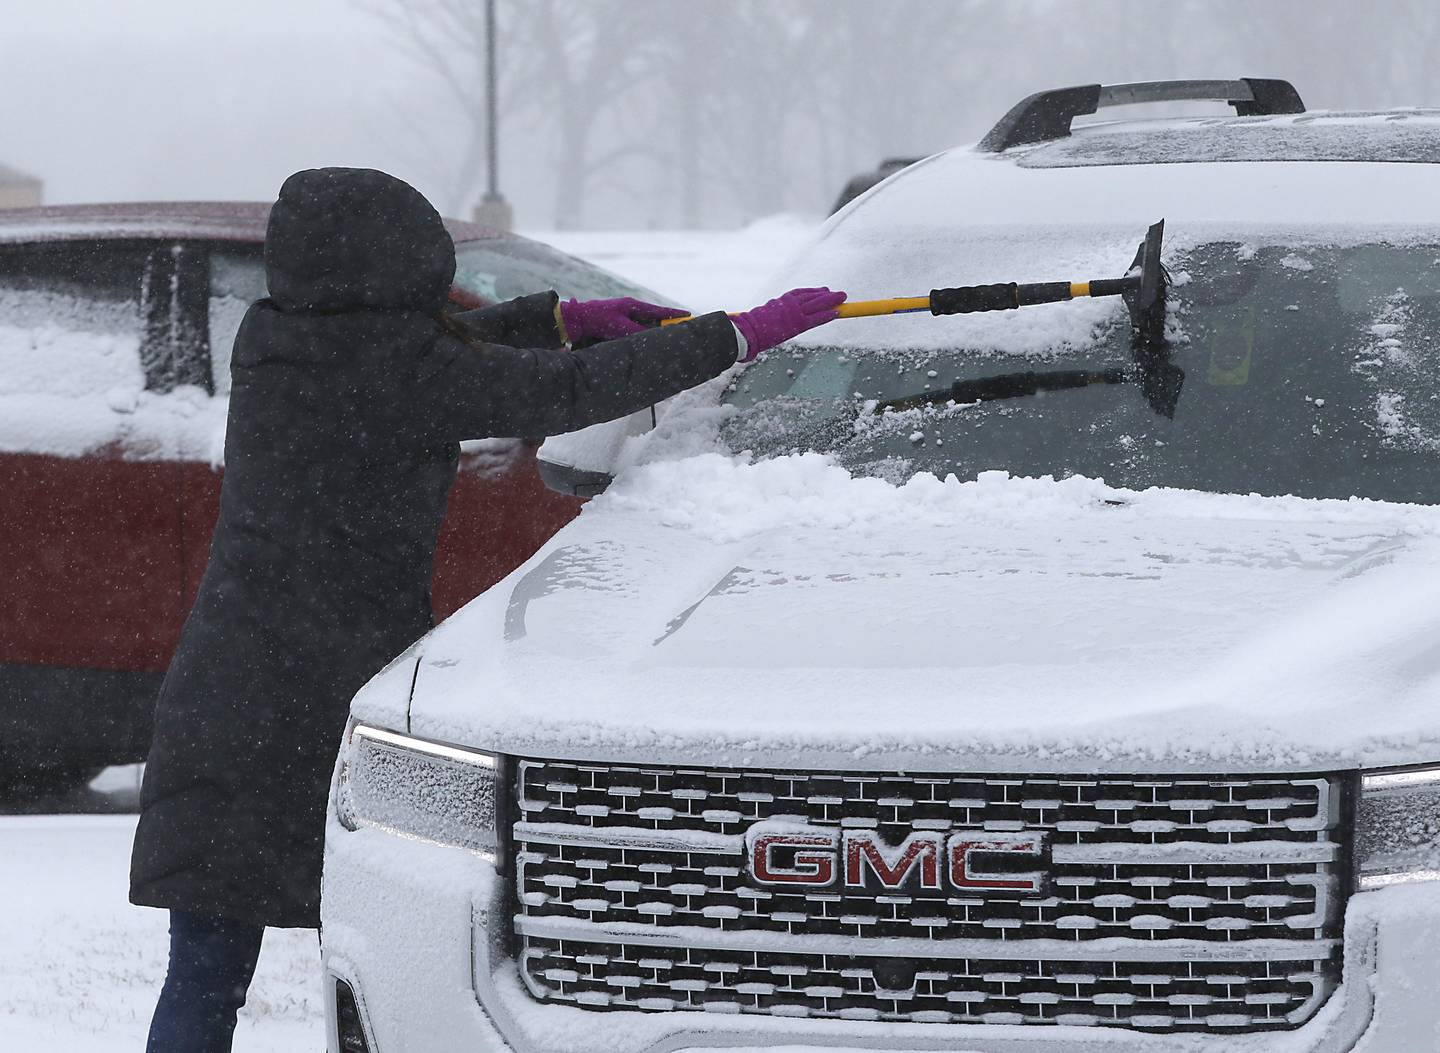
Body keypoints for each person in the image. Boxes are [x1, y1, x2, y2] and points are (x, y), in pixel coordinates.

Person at [127, 167, 845, 1052]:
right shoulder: (399, 371)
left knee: (206, 966)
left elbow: (441, 352)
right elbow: (562, 395)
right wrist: (731, 337)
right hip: (319, 694)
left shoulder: (275, 337)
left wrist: (559, 321)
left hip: (226, 691)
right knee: (378, 951)